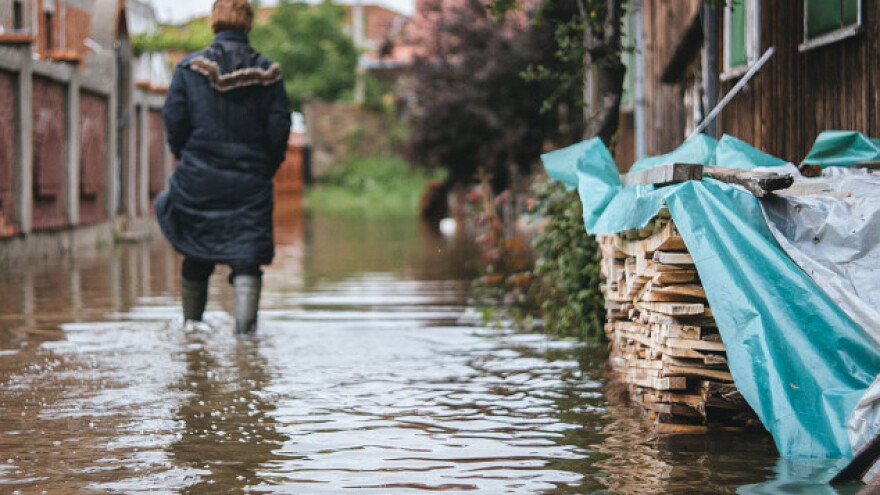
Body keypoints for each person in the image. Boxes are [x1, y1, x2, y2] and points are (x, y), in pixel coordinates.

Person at [155, 0, 291, 334]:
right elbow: (279, 131)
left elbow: (174, 122)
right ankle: (246, 340)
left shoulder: (189, 70)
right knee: (247, 257)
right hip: (250, 182)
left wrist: (190, 160)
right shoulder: (269, 74)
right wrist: (262, 168)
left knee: (196, 252)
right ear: (249, 23)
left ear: (214, 22)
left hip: (198, 179)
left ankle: (191, 332)